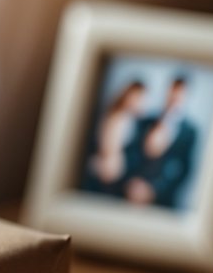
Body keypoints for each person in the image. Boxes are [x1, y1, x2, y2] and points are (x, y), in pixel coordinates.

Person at [124, 75, 197, 209]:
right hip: (131, 193)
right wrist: (133, 182)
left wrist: (154, 190)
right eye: (172, 91)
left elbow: (184, 170)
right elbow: (132, 152)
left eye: (179, 93)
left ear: (186, 96)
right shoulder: (146, 121)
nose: (174, 97)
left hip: (162, 202)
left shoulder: (190, 132)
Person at [81, 80, 147, 196]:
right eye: (137, 97)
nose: (139, 102)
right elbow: (108, 152)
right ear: (127, 95)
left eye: (141, 98)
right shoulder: (118, 118)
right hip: (106, 176)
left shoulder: (130, 119)